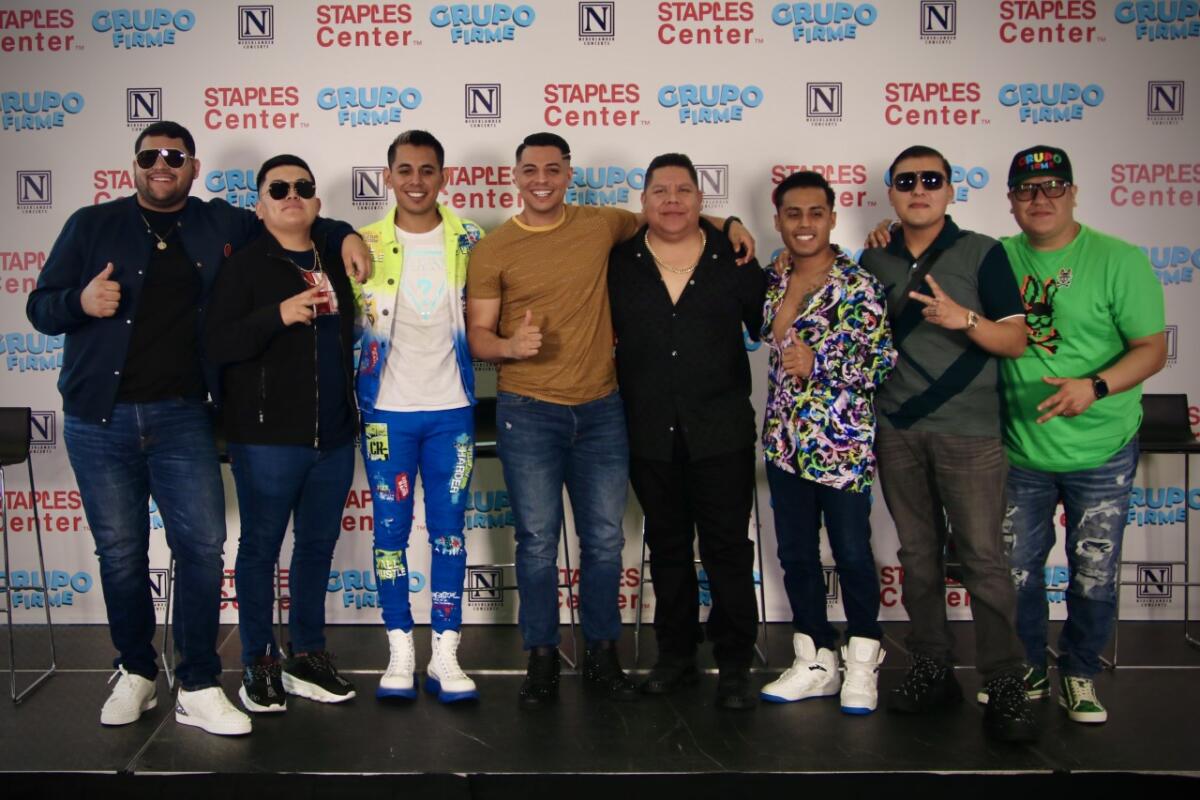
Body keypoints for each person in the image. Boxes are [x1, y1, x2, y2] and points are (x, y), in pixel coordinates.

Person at [25, 120, 368, 737]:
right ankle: (135, 671)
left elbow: (293, 218)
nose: (163, 163)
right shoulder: (90, 224)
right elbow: (40, 307)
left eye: (175, 156)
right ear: (135, 164)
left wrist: (342, 233)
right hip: (97, 417)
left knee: (203, 550)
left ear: (193, 165)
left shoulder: (220, 223)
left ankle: (200, 681)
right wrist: (78, 303)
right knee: (123, 554)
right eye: (151, 155)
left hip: (183, 413)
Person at [466, 132, 754, 707]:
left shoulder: (604, 226)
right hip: (530, 412)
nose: (542, 178)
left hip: (602, 409)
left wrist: (732, 221)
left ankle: (603, 654)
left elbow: (674, 215)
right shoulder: (493, 249)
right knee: (539, 542)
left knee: (603, 542)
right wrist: (507, 347)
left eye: (553, 167)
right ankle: (543, 658)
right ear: (516, 177)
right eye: (530, 170)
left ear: (569, 173)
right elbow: (477, 336)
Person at [860, 145, 1038, 742]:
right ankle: (932, 667)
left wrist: (962, 319)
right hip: (897, 430)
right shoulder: (874, 257)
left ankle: (1005, 680)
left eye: (931, 179)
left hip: (970, 433)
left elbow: (1015, 341)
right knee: (916, 556)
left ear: (950, 190)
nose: (919, 189)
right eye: (906, 180)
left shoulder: (984, 252)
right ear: (891, 192)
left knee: (985, 561)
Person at [999, 145, 1166, 724]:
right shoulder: (996, 259)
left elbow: (1153, 349)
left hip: (1102, 445)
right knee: (1016, 570)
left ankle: (1079, 672)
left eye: (1052, 187)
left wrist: (1092, 387)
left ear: (1073, 192)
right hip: (1021, 448)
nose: (1040, 199)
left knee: (1093, 568)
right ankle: (1025, 669)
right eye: (1026, 190)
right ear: (1012, 201)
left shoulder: (1119, 259)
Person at [608, 153, 766, 710]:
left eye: (683, 190)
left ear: (702, 200)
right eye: (660, 191)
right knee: (668, 548)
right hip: (648, 431)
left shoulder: (736, 257)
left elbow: (768, 322)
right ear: (644, 201)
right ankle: (675, 654)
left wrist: (731, 226)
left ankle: (735, 661)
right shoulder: (617, 259)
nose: (671, 199)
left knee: (726, 549)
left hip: (720, 431)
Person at [205, 154, 359, 713]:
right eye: (279, 188)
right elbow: (216, 345)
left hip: (334, 438)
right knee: (261, 551)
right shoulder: (244, 265)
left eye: (303, 187)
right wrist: (277, 315)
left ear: (316, 203)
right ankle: (259, 662)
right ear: (261, 205)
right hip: (267, 440)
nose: (292, 194)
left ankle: (308, 656)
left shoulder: (336, 258)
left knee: (316, 549)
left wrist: (340, 234)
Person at [758, 171, 895, 714]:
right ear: (780, 221)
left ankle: (862, 658)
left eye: (816, 213)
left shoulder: (858, 285)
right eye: (793, 214)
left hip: (841, 446)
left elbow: (881, 362)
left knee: (853, 553)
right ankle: (814, 657)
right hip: (785, 442)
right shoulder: (775, 277)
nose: (805, 223)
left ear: (832, 219)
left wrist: (822, 363)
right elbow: (767, 332)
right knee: (795, 554)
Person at [355, 131, 483, 703]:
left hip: (452, 410)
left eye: (426, 170)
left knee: (450, 534)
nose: (415, 180)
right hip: (386, 414)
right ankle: (400, 649)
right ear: (388, 177)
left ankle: (446, 654)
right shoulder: (362, 243)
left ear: (443, 175)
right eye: (403, 170)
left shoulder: (471, 240)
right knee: (390, 535)